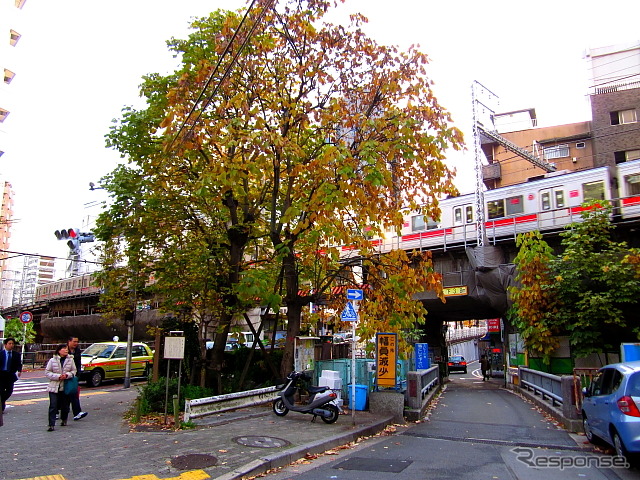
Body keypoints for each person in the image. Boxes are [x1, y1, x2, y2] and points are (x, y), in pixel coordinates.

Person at [45, 344, 77, 431]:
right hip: (54, 386)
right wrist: (58, 376)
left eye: (67, 349)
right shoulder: (52, 360)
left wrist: (67, 375)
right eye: (64, 349)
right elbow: (47, 372)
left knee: (65, 405)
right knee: (53, 405)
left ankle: (64, 419)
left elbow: (74, 371)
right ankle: (51, 424)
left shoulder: (70, 360)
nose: (66, 350)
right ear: (59, 350)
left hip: (65, 386)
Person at [67, 336, 88, 421]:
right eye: (74, 341)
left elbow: (78, 362)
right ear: (69, 341)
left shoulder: (77, 350)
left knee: (74, 393)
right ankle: (58, 411)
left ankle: (77, 412)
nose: (76, 343)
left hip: (73, 375)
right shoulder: (64, 349)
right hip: (64, 375)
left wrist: (78, 374)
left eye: (77, 341)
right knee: (62, 395)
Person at [0, 337, 22, 412]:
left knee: (9, 391)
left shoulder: (16, 354)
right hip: (1, 375)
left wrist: (19, 370)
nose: (11, 345)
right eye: (9, 343)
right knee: (1, 391)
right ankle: (1, 407)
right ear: (5, 345)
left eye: (12, 344)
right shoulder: (1, 354)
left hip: (10, 375)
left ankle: (1, 401)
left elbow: (19, 364)